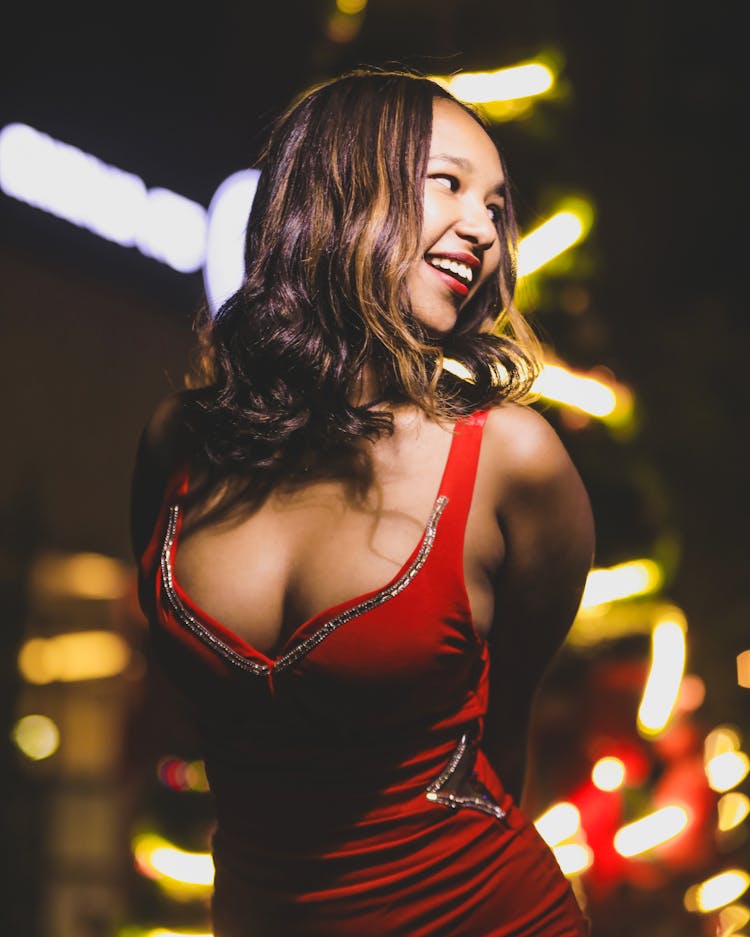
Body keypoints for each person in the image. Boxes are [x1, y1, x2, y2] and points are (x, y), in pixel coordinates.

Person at [131, 68, 594, 937]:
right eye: (448, 184)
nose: (482, 230)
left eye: (496, 206)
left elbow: (506, 734)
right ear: (340, 186)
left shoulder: (511, 460)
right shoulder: (179, 443)